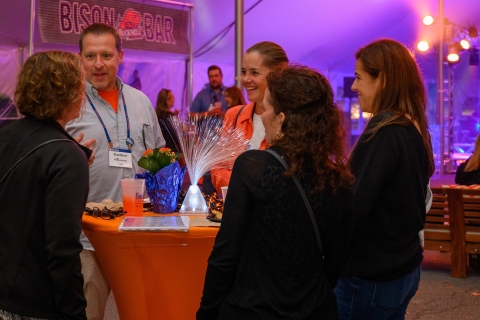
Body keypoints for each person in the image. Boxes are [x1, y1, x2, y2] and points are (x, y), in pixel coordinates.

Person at [197, 65, 354, 319]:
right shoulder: (339, 179)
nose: (263, 117)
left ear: (281, 119)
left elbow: (225, 256)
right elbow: (337, 260)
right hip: (315, 309)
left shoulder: (252, 167)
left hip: (252, 309)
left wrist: (206, 313)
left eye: (266, 109)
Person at [66, 23, 165, 320]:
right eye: (91, 55)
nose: (99, 64)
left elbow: (160, 155)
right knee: (89, 313)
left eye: (107, 55)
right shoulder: (68, 104)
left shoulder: (141, 101)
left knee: (141, 312)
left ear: (121, 56)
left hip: (140, 232)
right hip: (88, 235)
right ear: (79, 58)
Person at [334, 39, 435, 319]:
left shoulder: (384, 130)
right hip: (404, 268)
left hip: (372, 275)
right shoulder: (413, 124)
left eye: (358, 78)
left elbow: (354, 207)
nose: (354, 87)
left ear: (384, 80)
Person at [0, 51, 91, 319]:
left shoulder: (6, 135)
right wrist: (75, 313)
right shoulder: (65, 155)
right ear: (70, 92)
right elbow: (62, 250)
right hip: (30, 300)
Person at [211, 41, 288, 193]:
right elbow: (217, 169)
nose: (246, 79)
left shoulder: (289, 119)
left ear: (277, 75)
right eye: (243, 72)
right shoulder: (234, 115)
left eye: (254, 72)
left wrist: (241, 182)